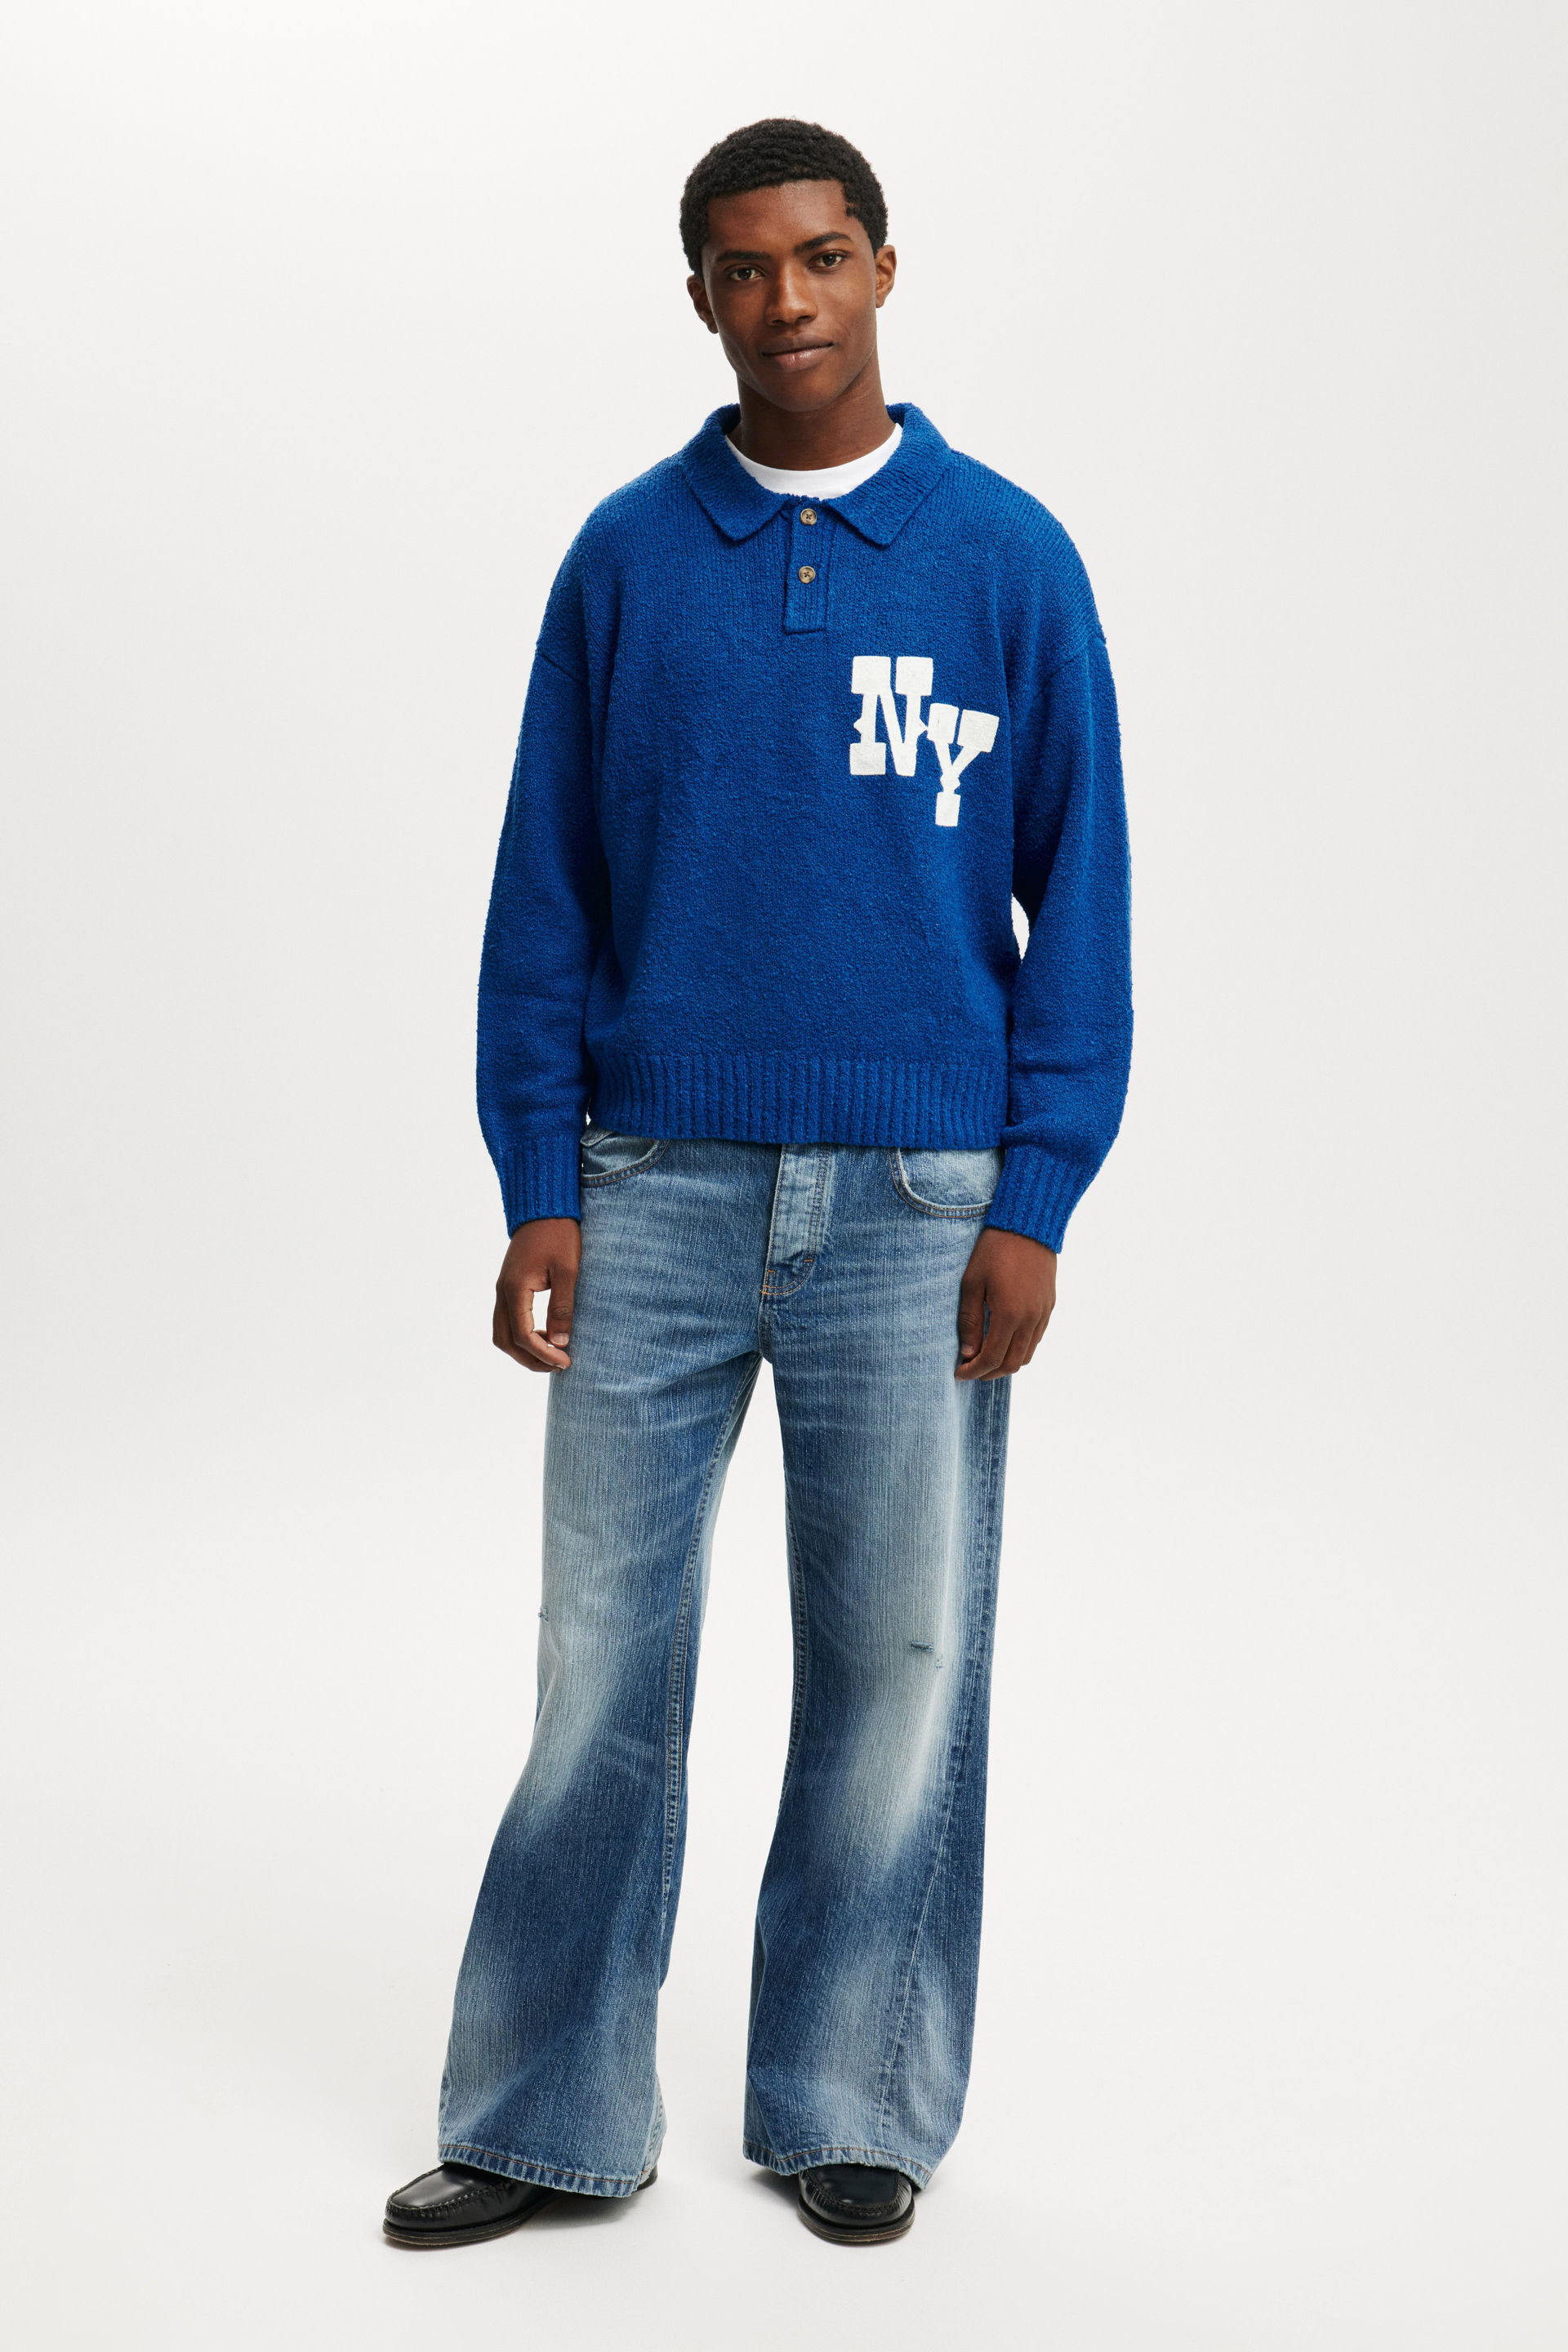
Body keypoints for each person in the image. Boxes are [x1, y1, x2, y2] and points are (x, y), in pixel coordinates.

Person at [384, 116, 1132, 2253]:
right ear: (700, 296)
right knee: (600, 1664)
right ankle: (545, 2113)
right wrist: (540, 1178)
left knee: (899, 1663)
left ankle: (849, 2096)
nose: (785, 299)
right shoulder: (628, 559)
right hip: (651, 1185)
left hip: (920, 1199)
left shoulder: (1006, 563)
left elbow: (1080, 901)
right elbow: (544, 893)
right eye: (742, 266)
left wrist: (1034, 1196)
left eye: (819, 256)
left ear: (883, 267)